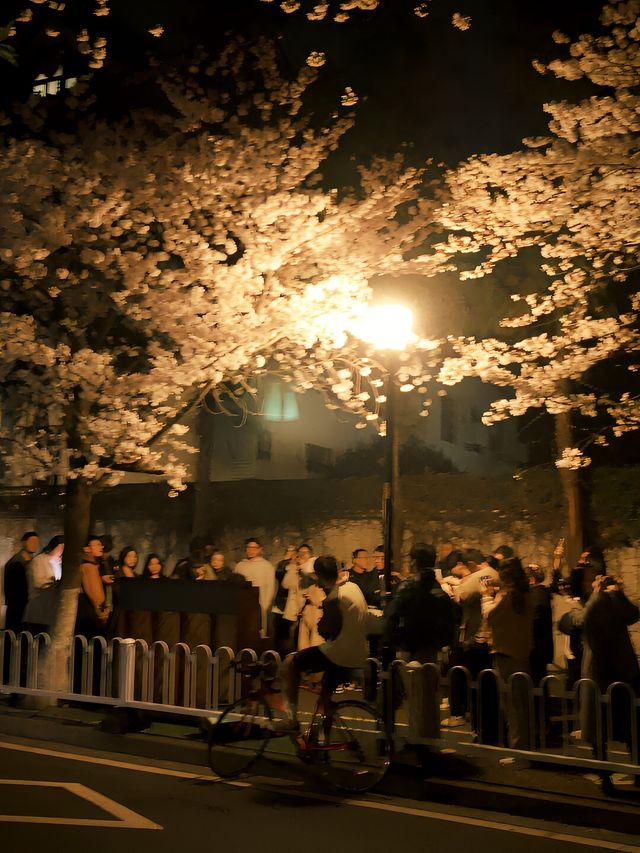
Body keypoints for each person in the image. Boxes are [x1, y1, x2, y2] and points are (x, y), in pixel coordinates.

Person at [278, 555, 368, 729]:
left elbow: (327, 631)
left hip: (338, 654)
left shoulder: (335, 598)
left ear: (320, 575)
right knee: (324, 700)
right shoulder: (353, 587)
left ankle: (290, 719)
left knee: (290, 663)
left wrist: (321, 623)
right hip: (358, 652)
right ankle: (321, 735)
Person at [482, 557, 535, 749]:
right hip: (521, 652)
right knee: (521, 703)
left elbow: (491, 617)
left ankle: (518, 749)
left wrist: (487, 596)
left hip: (505, 653)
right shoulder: (526, 595)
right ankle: (523, 746)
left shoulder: (508, 596)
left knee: (512, 705)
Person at [384, 542, 459, 664]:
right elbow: (452, 618)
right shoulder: (441, 589)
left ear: (414, 562)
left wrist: (394, 640)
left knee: (410, 681)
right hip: (435, 650)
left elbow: (392, 616)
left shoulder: (408, 589)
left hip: (409, 649)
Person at [234, 538, 276, 638]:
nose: (251, 550)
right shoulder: (240, 565)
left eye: (254, 548)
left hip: (259, 605)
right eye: (248, 547)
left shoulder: (266, 566)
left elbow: (270, 587)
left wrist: (264, 605)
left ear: (259, 549)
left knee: (256, 632)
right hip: (242, 604)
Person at [24, 535, 64, 634]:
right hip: (39, 609)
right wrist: (54, 582)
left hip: (51, 610)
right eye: (61, 548)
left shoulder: (59, 562)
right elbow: (38, 582)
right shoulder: (39, 560)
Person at [3, 531, 39, 632]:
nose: (35, 545)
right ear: (24, 543)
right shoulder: (16, 563)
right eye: (32, 542)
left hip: (28, 607)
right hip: (18, 606)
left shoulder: (32, 562)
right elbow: (13, 589)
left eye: (37, 542)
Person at [75, 535, 110, 638]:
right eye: (97, 545)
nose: (102, 547)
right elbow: (94, 592)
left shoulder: (90, 565)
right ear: (87, 549)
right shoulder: (89, 566)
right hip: (90, 611)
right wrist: (99, 609)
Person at [525, 563, 554, 684]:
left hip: (536, 647)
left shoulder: (535, 595)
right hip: (541, 646)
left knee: (536, 681)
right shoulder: (541, 593)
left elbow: (533, 622)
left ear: (531, 580)